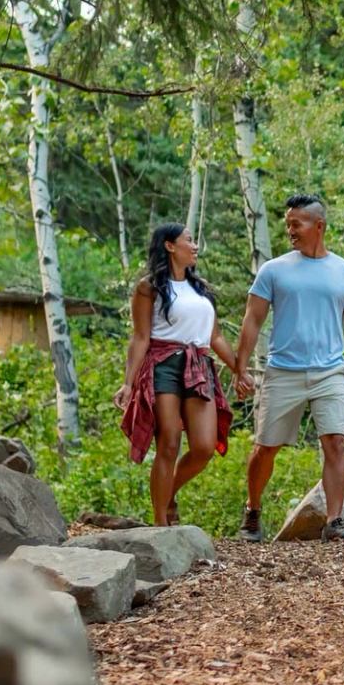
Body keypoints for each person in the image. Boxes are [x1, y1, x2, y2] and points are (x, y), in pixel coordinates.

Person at [233, 194, 344, 542]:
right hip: (283, 371)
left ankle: (334, 521)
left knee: (336, 442)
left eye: (297, 224)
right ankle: (252, 511)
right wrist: (241, 367)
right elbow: (253, 320)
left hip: (329, 372)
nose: (290, 230)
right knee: (266, 447)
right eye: (287, 224)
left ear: (319, 226)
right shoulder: (274, 270)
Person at [116, 225, 236, 526]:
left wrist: (240, 370)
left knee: (204, 447)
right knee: (168, 441)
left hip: (199, 367)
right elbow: (140, 337)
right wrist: (128, 383)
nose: (195, 246)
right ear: (170, 246)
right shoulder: (149, 287)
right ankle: (160, 524)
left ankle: (168, 494)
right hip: (163, 364)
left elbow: (216, 337)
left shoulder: (201, 289)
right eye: (189, 240)